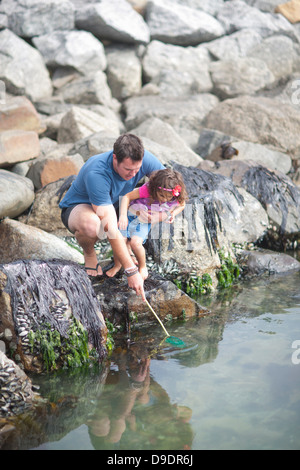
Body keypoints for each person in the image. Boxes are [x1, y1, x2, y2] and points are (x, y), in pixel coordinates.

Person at [59, 134, 165, 300]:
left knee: (141, 206)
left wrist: (163, 212)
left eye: (137, 169)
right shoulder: (97, 172)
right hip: (80, 208)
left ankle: (126, 249)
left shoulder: (144, 159)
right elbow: (109, 226)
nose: (134, 174)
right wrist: (131, 271)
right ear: (115, 158)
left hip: (118, 204)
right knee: (94, 226)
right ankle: (89, 253)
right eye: (128, 170)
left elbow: (169, 184)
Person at [108, 168, 188, 280]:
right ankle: (117, 264)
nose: (164, 200)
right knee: (120, 240)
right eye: (161, 196)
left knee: (135, 243)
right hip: (131, 214)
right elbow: (126, 197)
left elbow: (182, 205)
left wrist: (173, 214)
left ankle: (142, 266)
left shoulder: (176, 196)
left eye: (168, 197)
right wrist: (122, 216)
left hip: (145, 220)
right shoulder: (147, 190)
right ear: (154, 189)